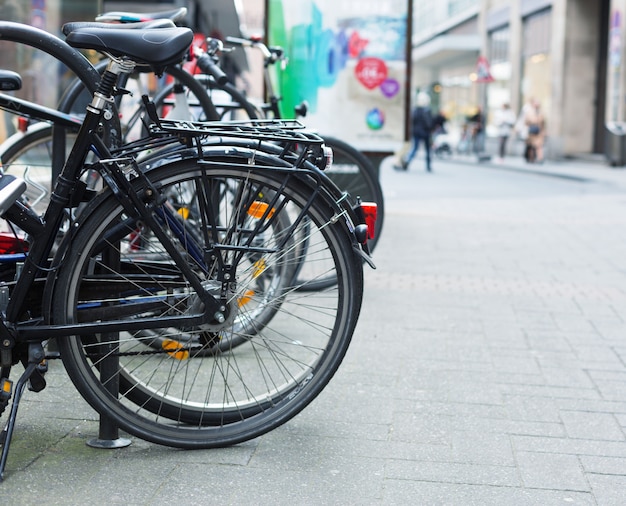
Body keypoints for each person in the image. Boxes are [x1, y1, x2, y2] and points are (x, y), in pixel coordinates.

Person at [398, 91, 433, 172]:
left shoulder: (415, 110)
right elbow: (428, 123)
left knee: (415, 148)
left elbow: (411, 121)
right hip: (425, 132)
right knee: (427, 150)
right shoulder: (426, 111)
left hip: (416, 132)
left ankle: (407, 161)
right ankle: (428, 166)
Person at [519, 98, 545, 163]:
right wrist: (532, 121)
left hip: (538, 131)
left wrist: (543, 131)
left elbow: (543, 122)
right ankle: (531, 158)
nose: (537, 105)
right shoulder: (529, 111)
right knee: (531, 146)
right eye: (536, 103)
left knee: (539, 145)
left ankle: (540, 158)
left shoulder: (540, 112)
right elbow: (526, 121)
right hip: (531, 131)